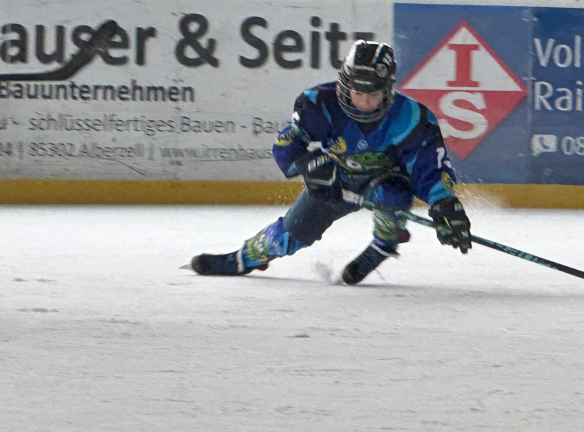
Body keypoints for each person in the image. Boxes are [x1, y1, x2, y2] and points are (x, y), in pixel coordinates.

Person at [190, 40, 471, 285]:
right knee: (290, 236)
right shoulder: (318, 104)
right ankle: (242, 258)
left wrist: (444, 204)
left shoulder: (412, 117)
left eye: (373, 94)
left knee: (392, 196)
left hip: (386, 182)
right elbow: (286, 147)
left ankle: (384, 243)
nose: (364, 102)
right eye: (357, 93)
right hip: (335, 183)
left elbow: (429, 169)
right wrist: (310, 166)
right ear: (344, 85)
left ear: (388, 89)